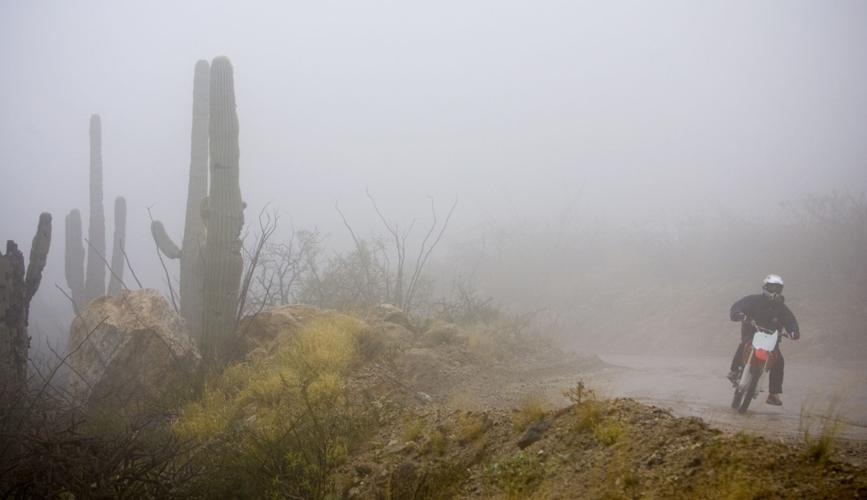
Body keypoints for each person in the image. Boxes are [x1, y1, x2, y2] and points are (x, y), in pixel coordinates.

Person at [727, 274, 800, 406]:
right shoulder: (753, 300)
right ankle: (734, 371)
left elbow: (791, 322)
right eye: (772, 288)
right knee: (744, 345)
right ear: (765, 287)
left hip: (771, 342)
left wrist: (793, 332)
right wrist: (739, 315)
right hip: (751, 335)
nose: (775, 291)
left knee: (779, 361)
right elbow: (737, 307)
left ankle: (773, 394)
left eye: (778, 289)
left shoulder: (782, 308)